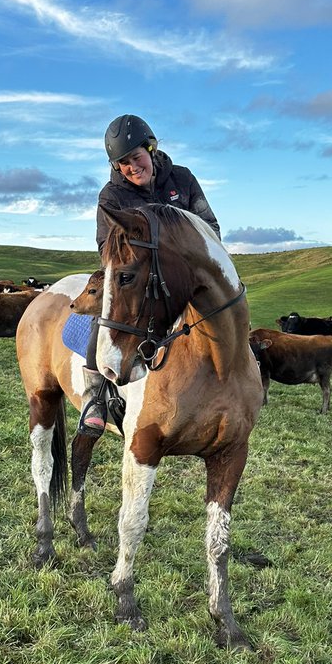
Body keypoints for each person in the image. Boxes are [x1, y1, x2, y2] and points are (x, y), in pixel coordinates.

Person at [78, 114, 221, 438]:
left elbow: (210, 228)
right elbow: (106, 247)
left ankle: (241, 371)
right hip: (134, 275)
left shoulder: (182, 180)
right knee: (106, 314)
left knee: (227, 304)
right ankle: (95, 397)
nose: (131, 167)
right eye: (123, 163)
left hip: (185, 274)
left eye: (136, 157)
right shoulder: (111, 198)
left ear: (151, 149)